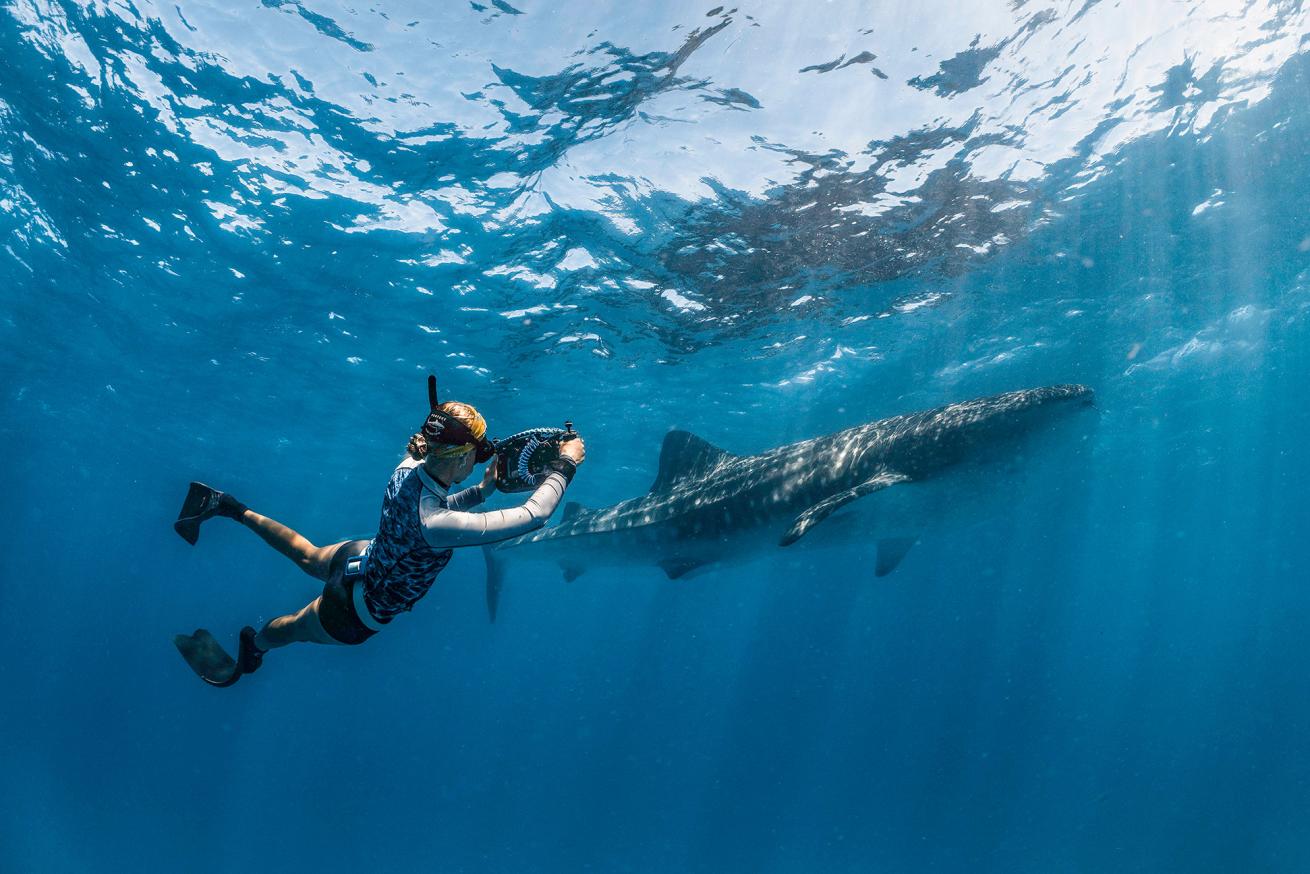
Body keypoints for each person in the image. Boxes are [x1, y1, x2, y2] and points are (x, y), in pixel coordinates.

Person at [172, 382, 586, 687]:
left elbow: (423, 516)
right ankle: (251, 651)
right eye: (477, 456)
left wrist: (480, 491)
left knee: (305, 553)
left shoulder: (406, 468)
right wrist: (565, 465)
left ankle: (227, 506)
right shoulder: (438, 525)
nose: (479, 463)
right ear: (459, 458)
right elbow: (534, 515)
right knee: (291, 628)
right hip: (355, 611)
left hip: (363, 557)